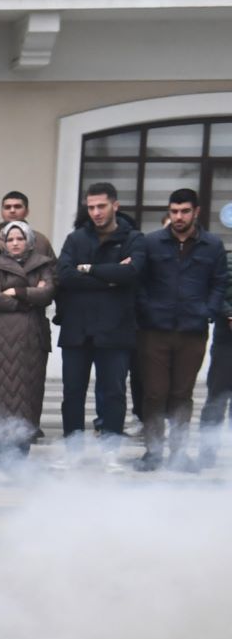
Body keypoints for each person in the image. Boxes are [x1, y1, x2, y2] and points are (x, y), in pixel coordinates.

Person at [131, 187, 228, 471]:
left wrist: (207, 311)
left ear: (196, 212)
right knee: (154, 393)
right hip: (154, 331)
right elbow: (139, 282)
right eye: (174, 211)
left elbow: (219, 282)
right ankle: (153, 452)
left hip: (193, 331)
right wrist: (148, 310)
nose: (179, 217)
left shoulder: (212, 245)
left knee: (182, 394)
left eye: (185, 211)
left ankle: (179, 453)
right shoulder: (152, 242)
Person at [54, 182, 143, 445]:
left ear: (115, 205)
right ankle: (73, 448)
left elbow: (131, 273)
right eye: (91, 207)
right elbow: (65, 275)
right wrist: (110, 278)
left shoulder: (133, 239)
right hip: (76, 329)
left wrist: (87, 269)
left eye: (101, 206)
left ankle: (110, 449)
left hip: (116, 329)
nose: (96, 212)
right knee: (72, 393)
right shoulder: (76, 239)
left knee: (114, 393)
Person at [0, 222, 56, 455]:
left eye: (19, 239)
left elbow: (47, 293)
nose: (14, 243)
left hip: (32, 339)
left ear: (29, 241)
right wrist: (29, 297)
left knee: (29, 391)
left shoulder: (42, 264)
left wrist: (16, 291)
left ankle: (22, 443)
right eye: (10, 239)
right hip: (0, 339)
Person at [0, 190, 53, 263]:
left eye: (17, 206)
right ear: (1, 212)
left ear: (27, 212)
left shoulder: (41, 241)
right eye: (7, 207)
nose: (12, 210)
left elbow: (52, 269)